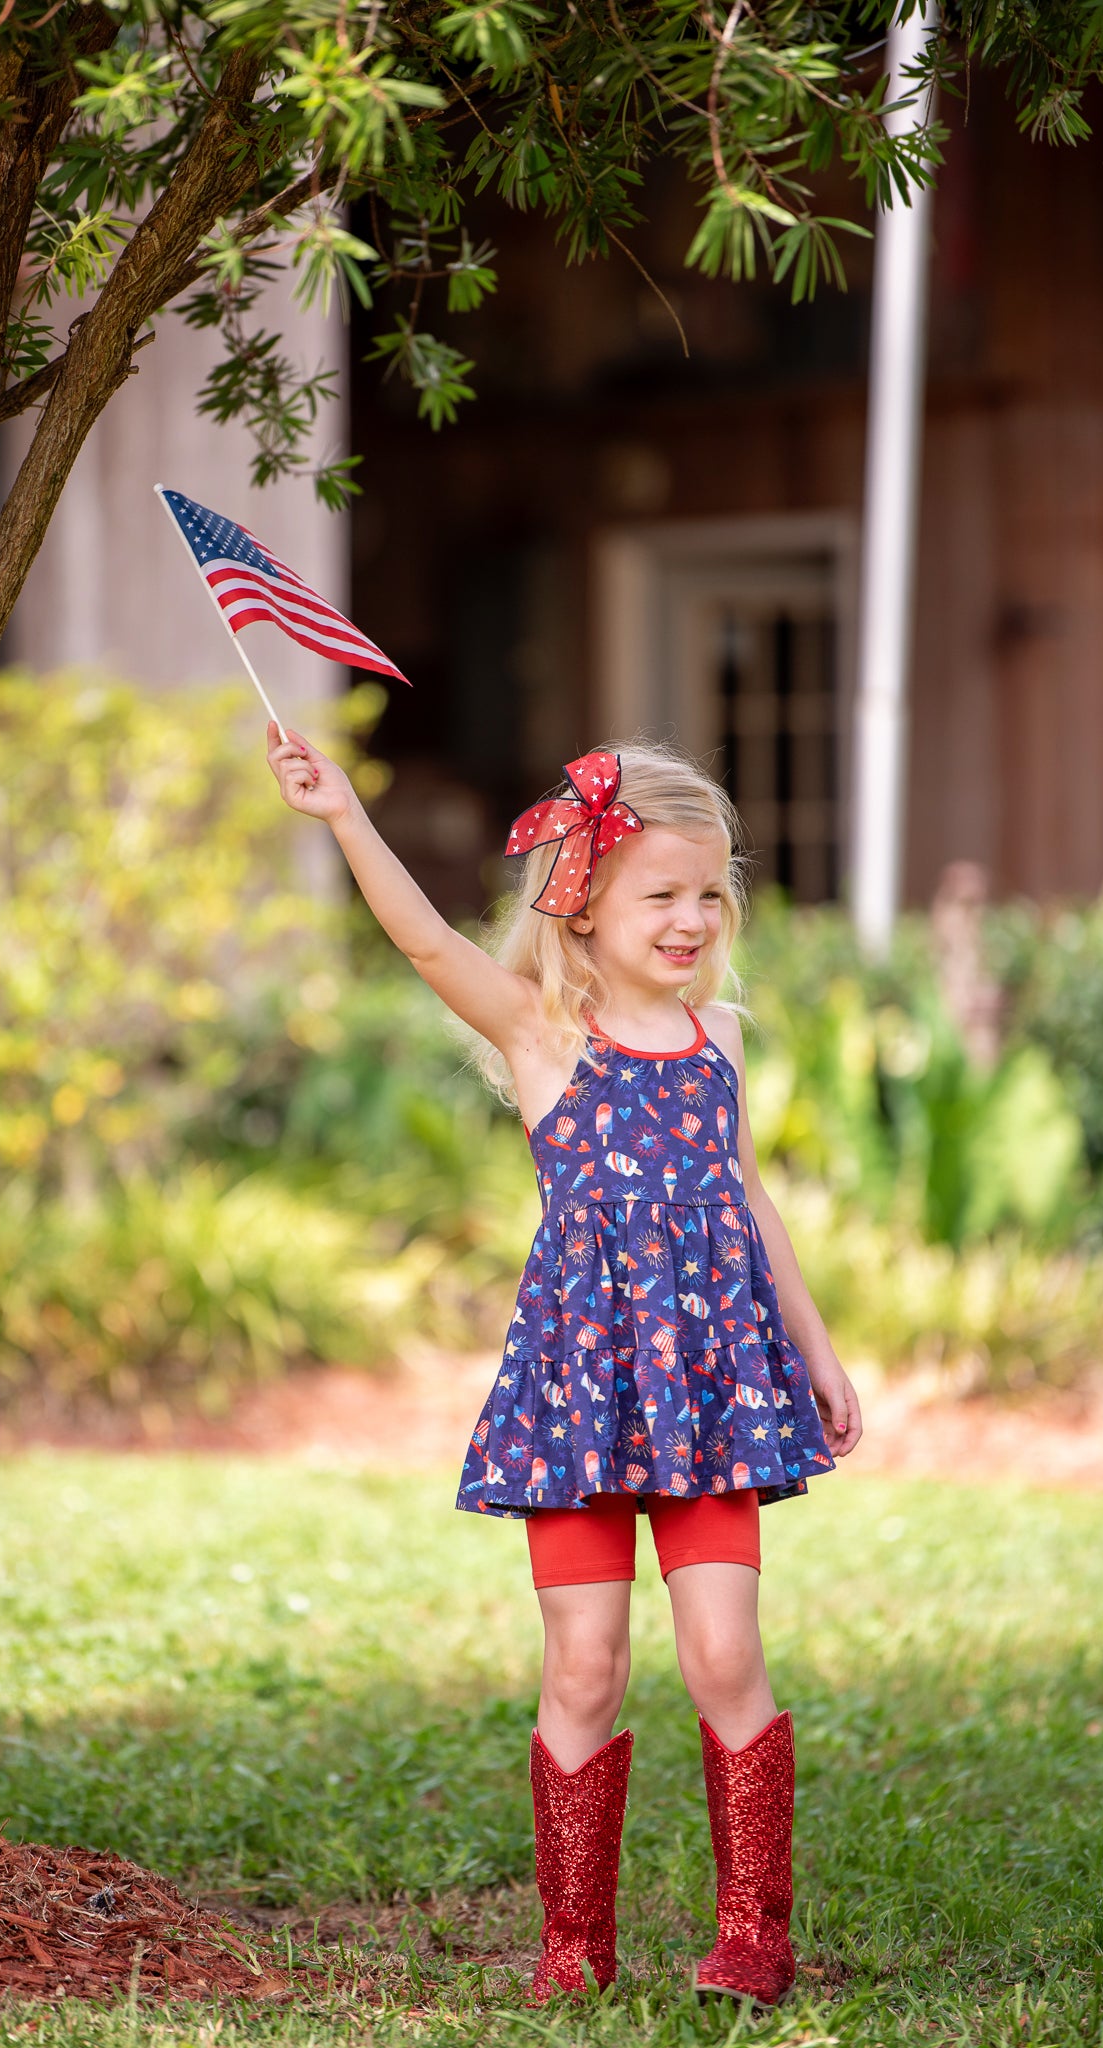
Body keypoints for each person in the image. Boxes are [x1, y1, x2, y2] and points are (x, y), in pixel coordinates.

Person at [266, 728, 862, 2009]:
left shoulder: (719, 1039)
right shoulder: (545, 1032)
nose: (692, 917)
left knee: (721, 1652)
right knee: (581, 1664)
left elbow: (749, 1203)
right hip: (583, 1399)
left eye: (709, 893)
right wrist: (342, 819)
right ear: (582, 902)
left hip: (708, 1397)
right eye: (662, 893)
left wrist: (814, 1353)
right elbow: (429, 945)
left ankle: (752, 1931)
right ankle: (571, 1943)